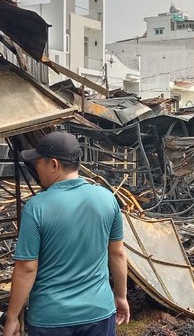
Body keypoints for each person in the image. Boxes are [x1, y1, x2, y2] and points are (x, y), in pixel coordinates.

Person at [4, 131, 129, 336]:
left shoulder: (36, 207)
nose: (36, 167)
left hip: (50, 318)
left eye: (38, 162)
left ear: (53, 165)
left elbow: (27, 268)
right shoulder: (107, 199)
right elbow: (117, 254)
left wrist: (12, 318)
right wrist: (121, 296)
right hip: (98, 311)